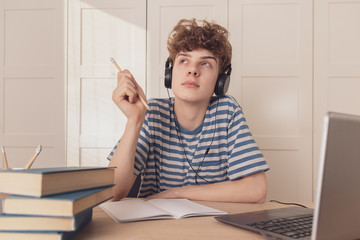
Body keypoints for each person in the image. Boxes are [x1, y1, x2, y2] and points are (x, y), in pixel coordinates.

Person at [108, 18, 269, 203]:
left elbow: (257, 190)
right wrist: (134, 121)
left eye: (205, 63)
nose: (193, 70)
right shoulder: (152, 113)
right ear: (170, 72)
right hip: (156, 227)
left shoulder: (227, 112)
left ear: (220, 80)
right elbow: (112, 192)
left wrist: (178, 193)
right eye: (184, 60)